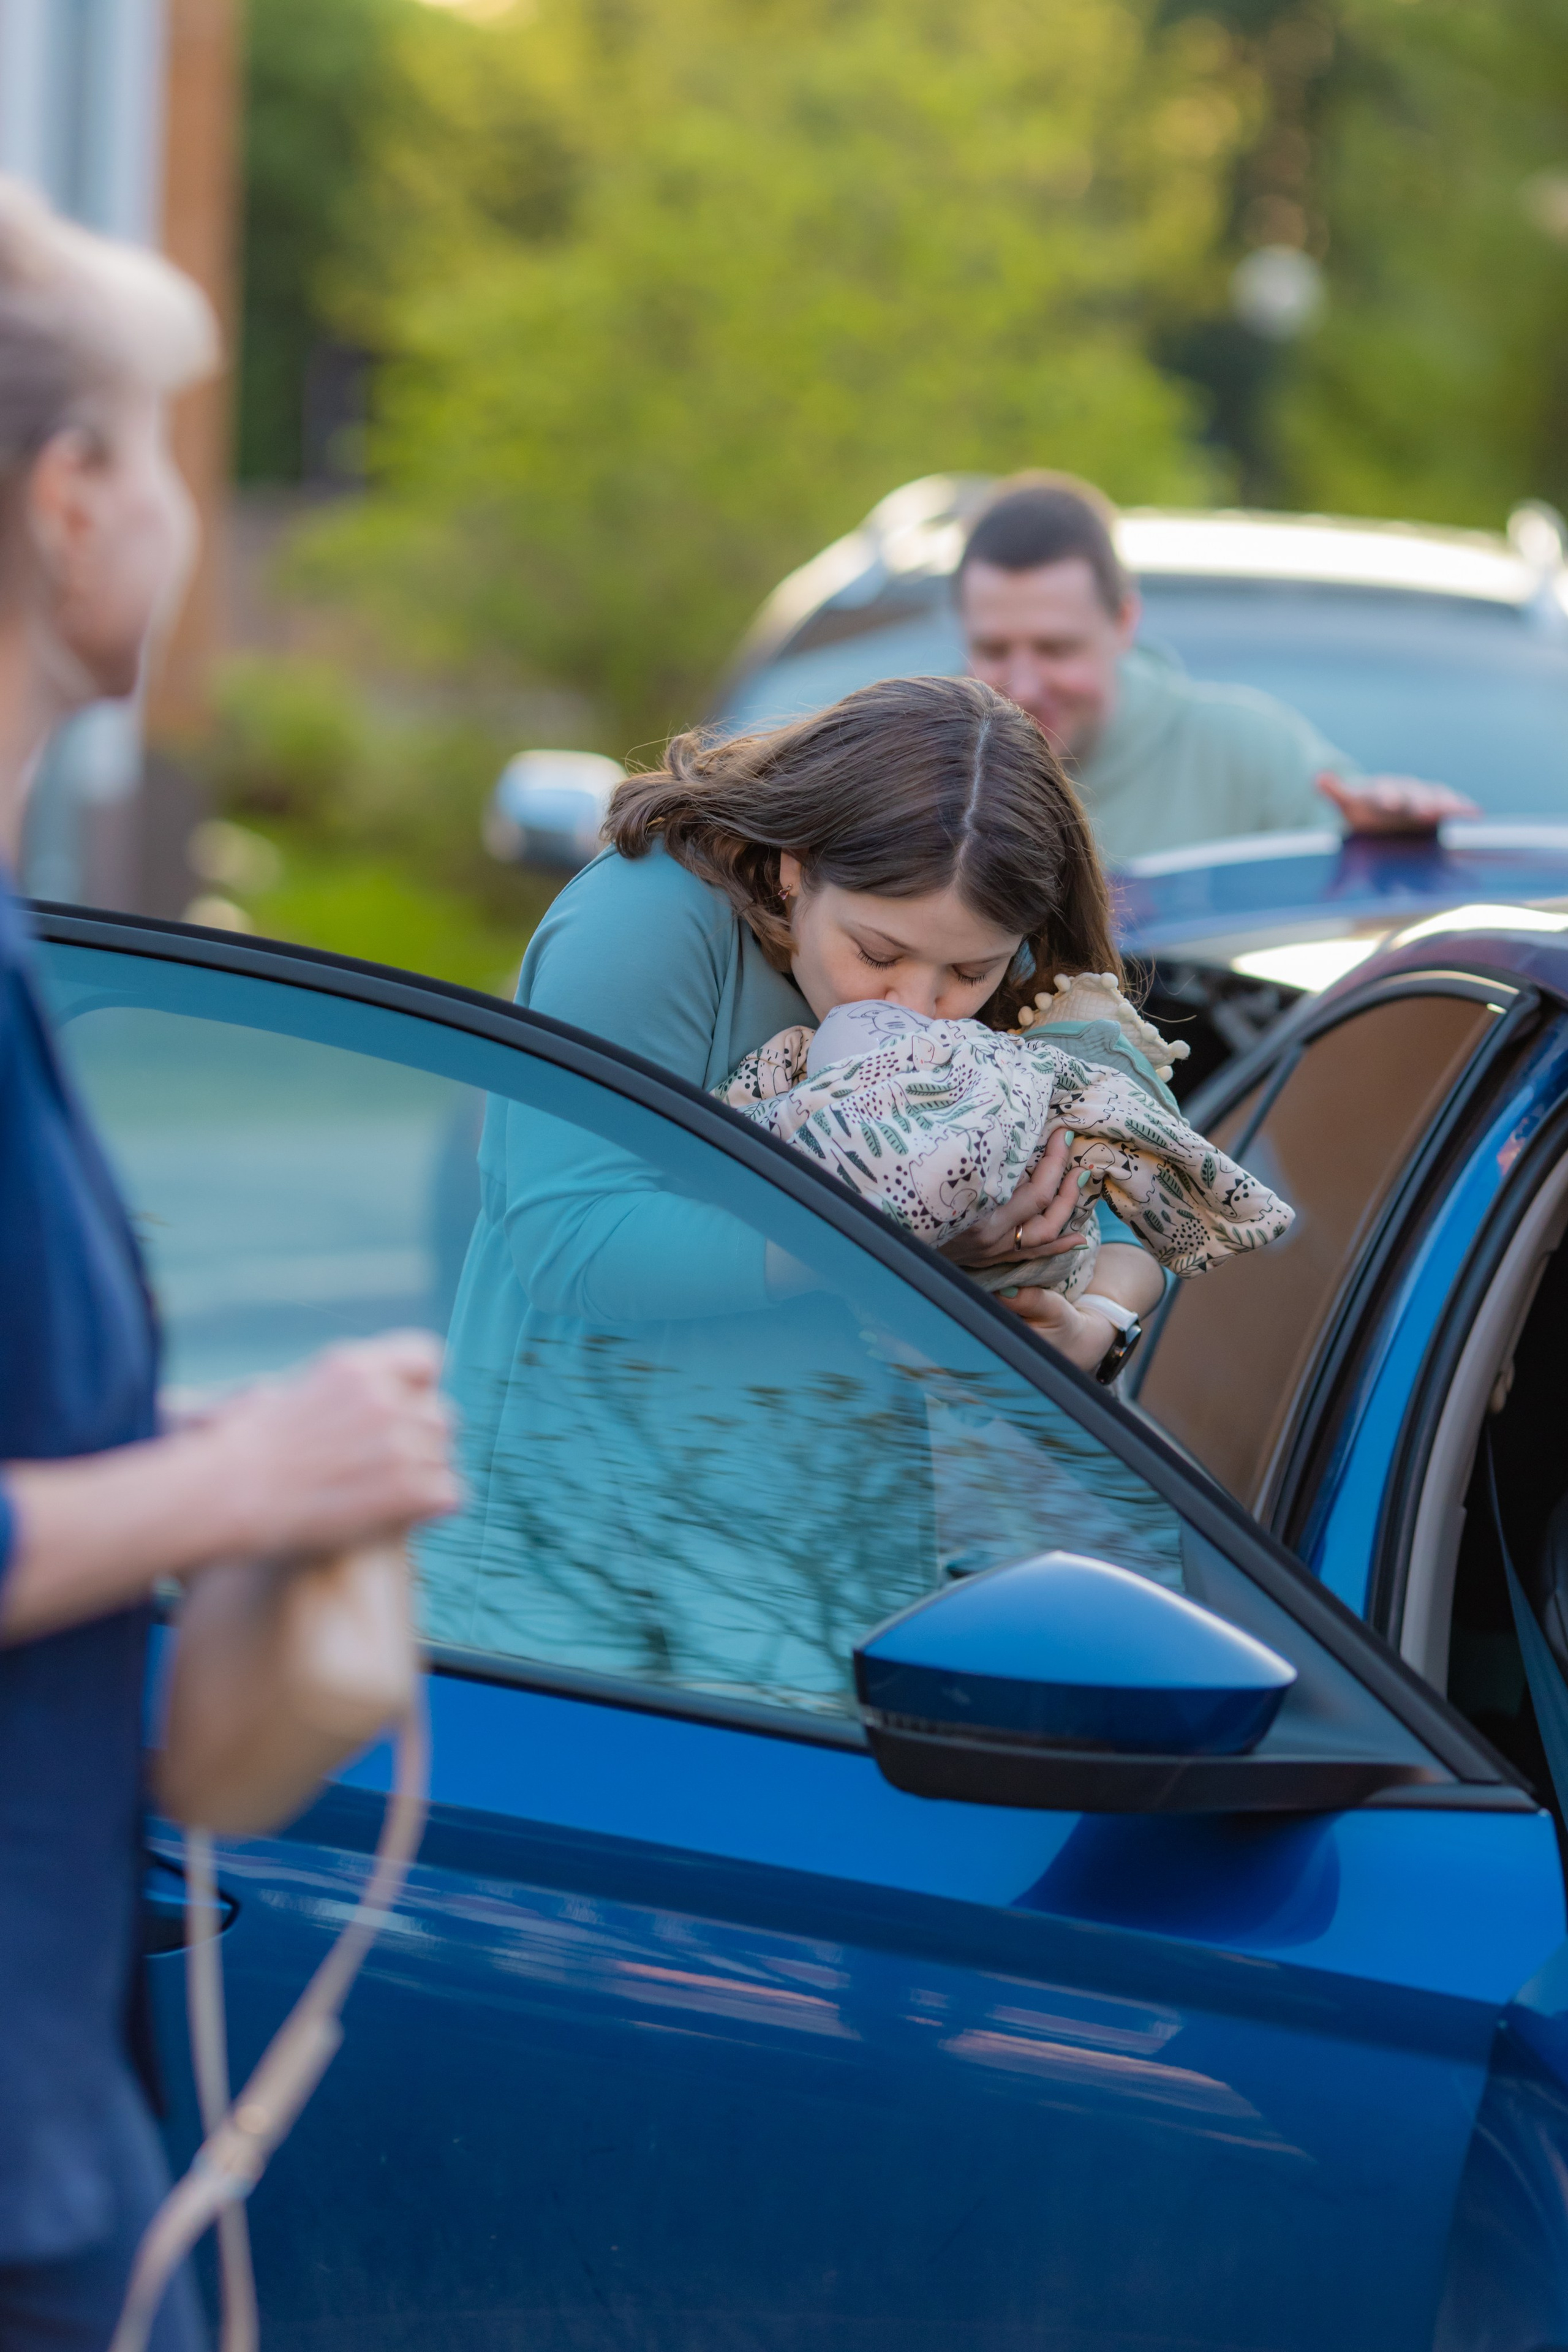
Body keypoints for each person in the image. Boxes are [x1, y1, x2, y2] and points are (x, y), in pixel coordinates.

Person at [0, 178, 457, 2350]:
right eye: (167, 452)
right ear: (71, 499)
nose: (188, 518)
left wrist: (179, 1444)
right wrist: (242, 1484)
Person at [957, 472, 1479, 865]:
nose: (1021, 687)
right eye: (995, 650)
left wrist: (1390, 847)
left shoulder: (1247, 757)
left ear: (1124, 622)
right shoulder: (910, 769)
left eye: (1056, 649)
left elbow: (1362, 929)